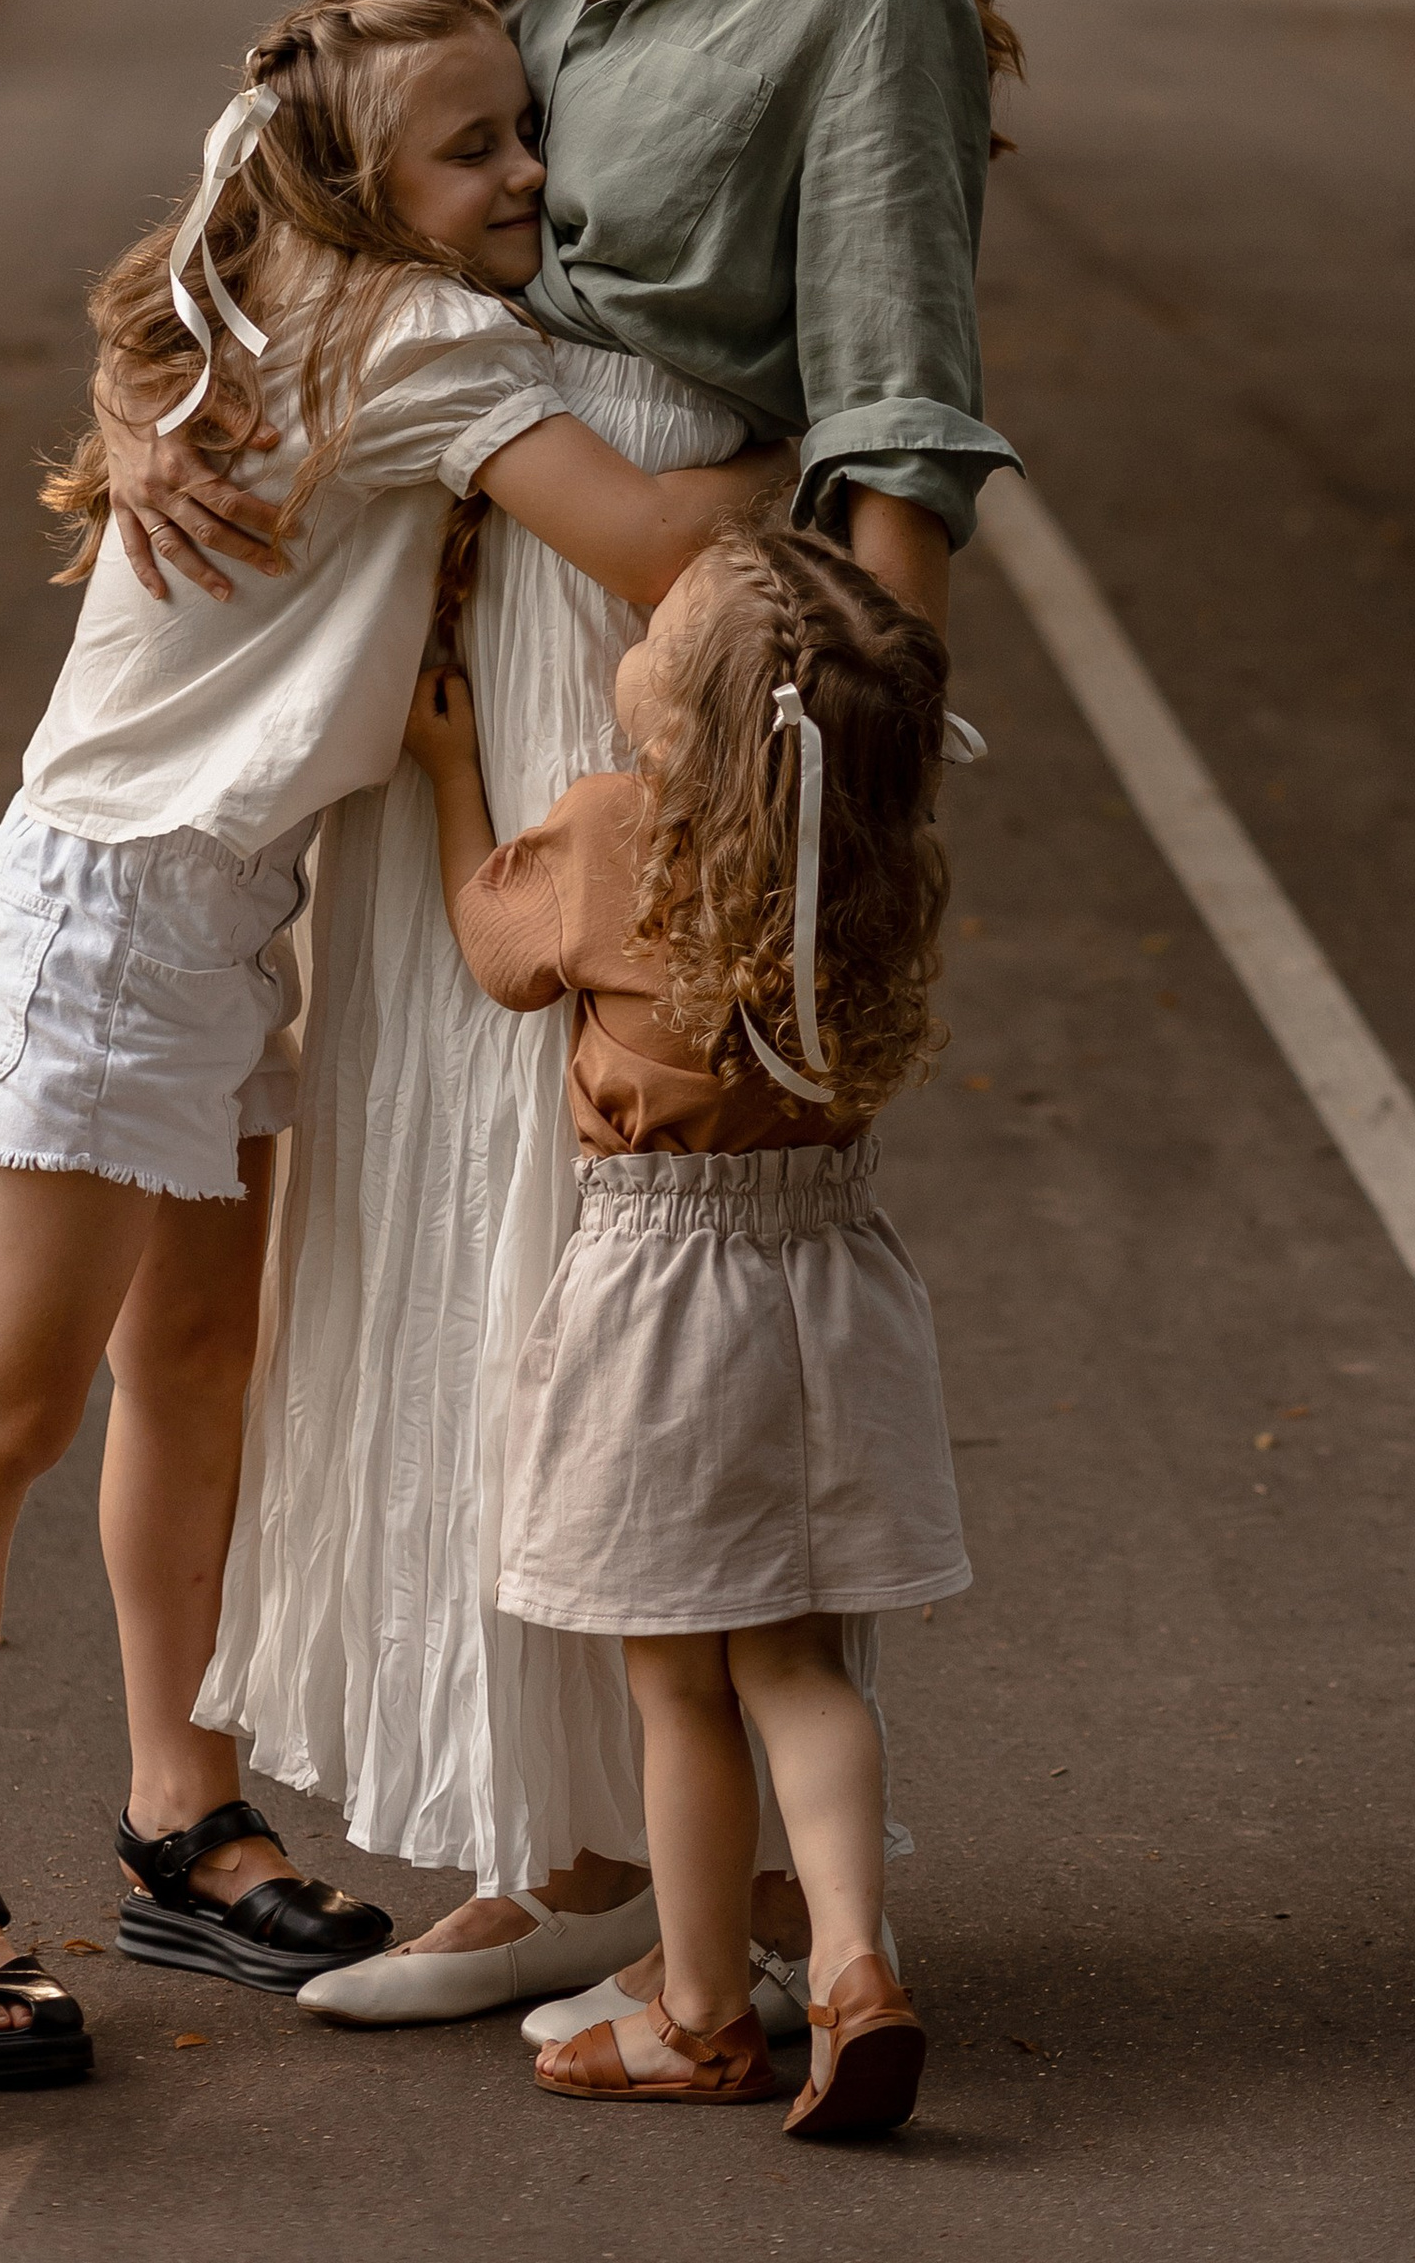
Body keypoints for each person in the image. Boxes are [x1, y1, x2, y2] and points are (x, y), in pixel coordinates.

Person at [105, 0, 1019, 2028]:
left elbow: (897, 426)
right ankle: (552, 1835)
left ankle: (649, 1864)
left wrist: (824, 838)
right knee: (441, 1219)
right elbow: (277, 194)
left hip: (673, 675)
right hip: (462, 659)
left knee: (625, 1248)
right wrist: (154, 404)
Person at [0, 0, 780, 2091]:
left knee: (195, 1368)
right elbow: (655, 539)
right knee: (0, 1411)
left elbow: (178, 249)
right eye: (474, 148)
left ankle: (180, 1817)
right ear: (360, 182)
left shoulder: (279, 268)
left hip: (213, 918)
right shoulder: (421, 333)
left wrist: (136, 381)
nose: (530, 173)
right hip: (112, 915)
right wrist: (848, 431)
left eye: (527, 127)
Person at [401, 511, 967, 2134]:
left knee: (677, 1685)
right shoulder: (861, 864)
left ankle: (702, 2014)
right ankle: (852, 1964)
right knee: (797, 1662)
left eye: (655, 634)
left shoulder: (609, 832)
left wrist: (452, 769)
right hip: (835, 1282)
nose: (628, 642)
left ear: (690, 717)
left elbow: (495, 948)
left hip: (668, 1304)